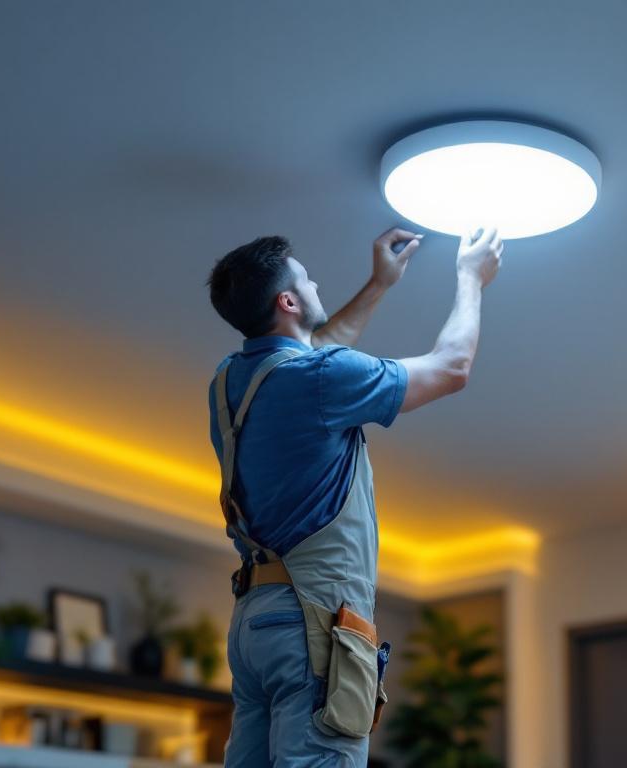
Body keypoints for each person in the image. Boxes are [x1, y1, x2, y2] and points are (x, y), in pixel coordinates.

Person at [206, 225, 503, 767]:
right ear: (288, 301)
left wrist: (379, 284)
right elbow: (450, 368)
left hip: (256, 623)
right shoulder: (318, 378)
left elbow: (313, 354)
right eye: (305, 277)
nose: (316, 281)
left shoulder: (230, 382)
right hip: (313, 620)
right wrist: (471, 278)